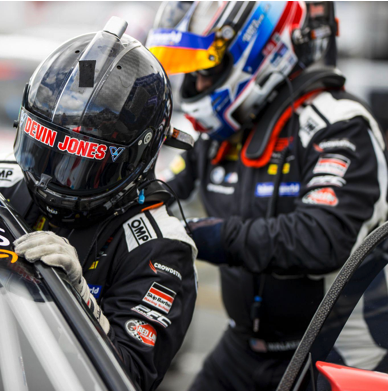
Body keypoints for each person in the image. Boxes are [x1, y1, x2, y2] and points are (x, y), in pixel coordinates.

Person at [147, 2, 388, 391]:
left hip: (333, 354)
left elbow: (323, 239)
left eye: (205, 70)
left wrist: (211, 236)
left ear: (258, 51)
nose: (197, 85)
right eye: (190, 73)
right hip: (242, 347)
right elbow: (158, 195)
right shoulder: (220, 135)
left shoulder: (339, 125)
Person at [0, 18, 198, 391]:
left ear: (135, 158)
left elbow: (131, 376)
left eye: (81, 161)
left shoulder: (161, 245)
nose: (52, 175)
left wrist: (79, 297)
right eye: (45, 149)